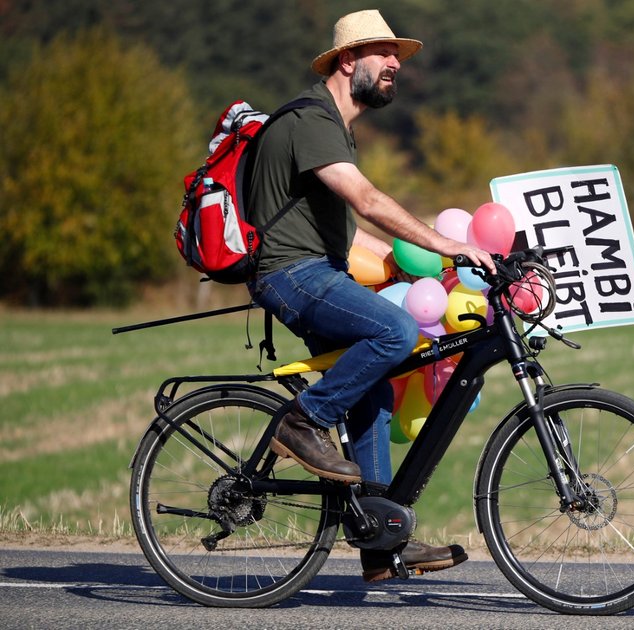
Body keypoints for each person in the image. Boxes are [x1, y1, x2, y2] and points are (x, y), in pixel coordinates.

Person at [247, 9, 496, 582]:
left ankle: (380, 541)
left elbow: (345, 228)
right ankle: (300, 422)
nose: (394, 64)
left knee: (377, 388)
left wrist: (402, 265)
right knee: (396, 332)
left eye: (397, 57)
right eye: (382, 53)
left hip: (317, 268)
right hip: (294, 275)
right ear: (346, 60)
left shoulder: (334, 126)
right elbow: (365, 200)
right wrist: (445, 244)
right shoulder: (311, 120)